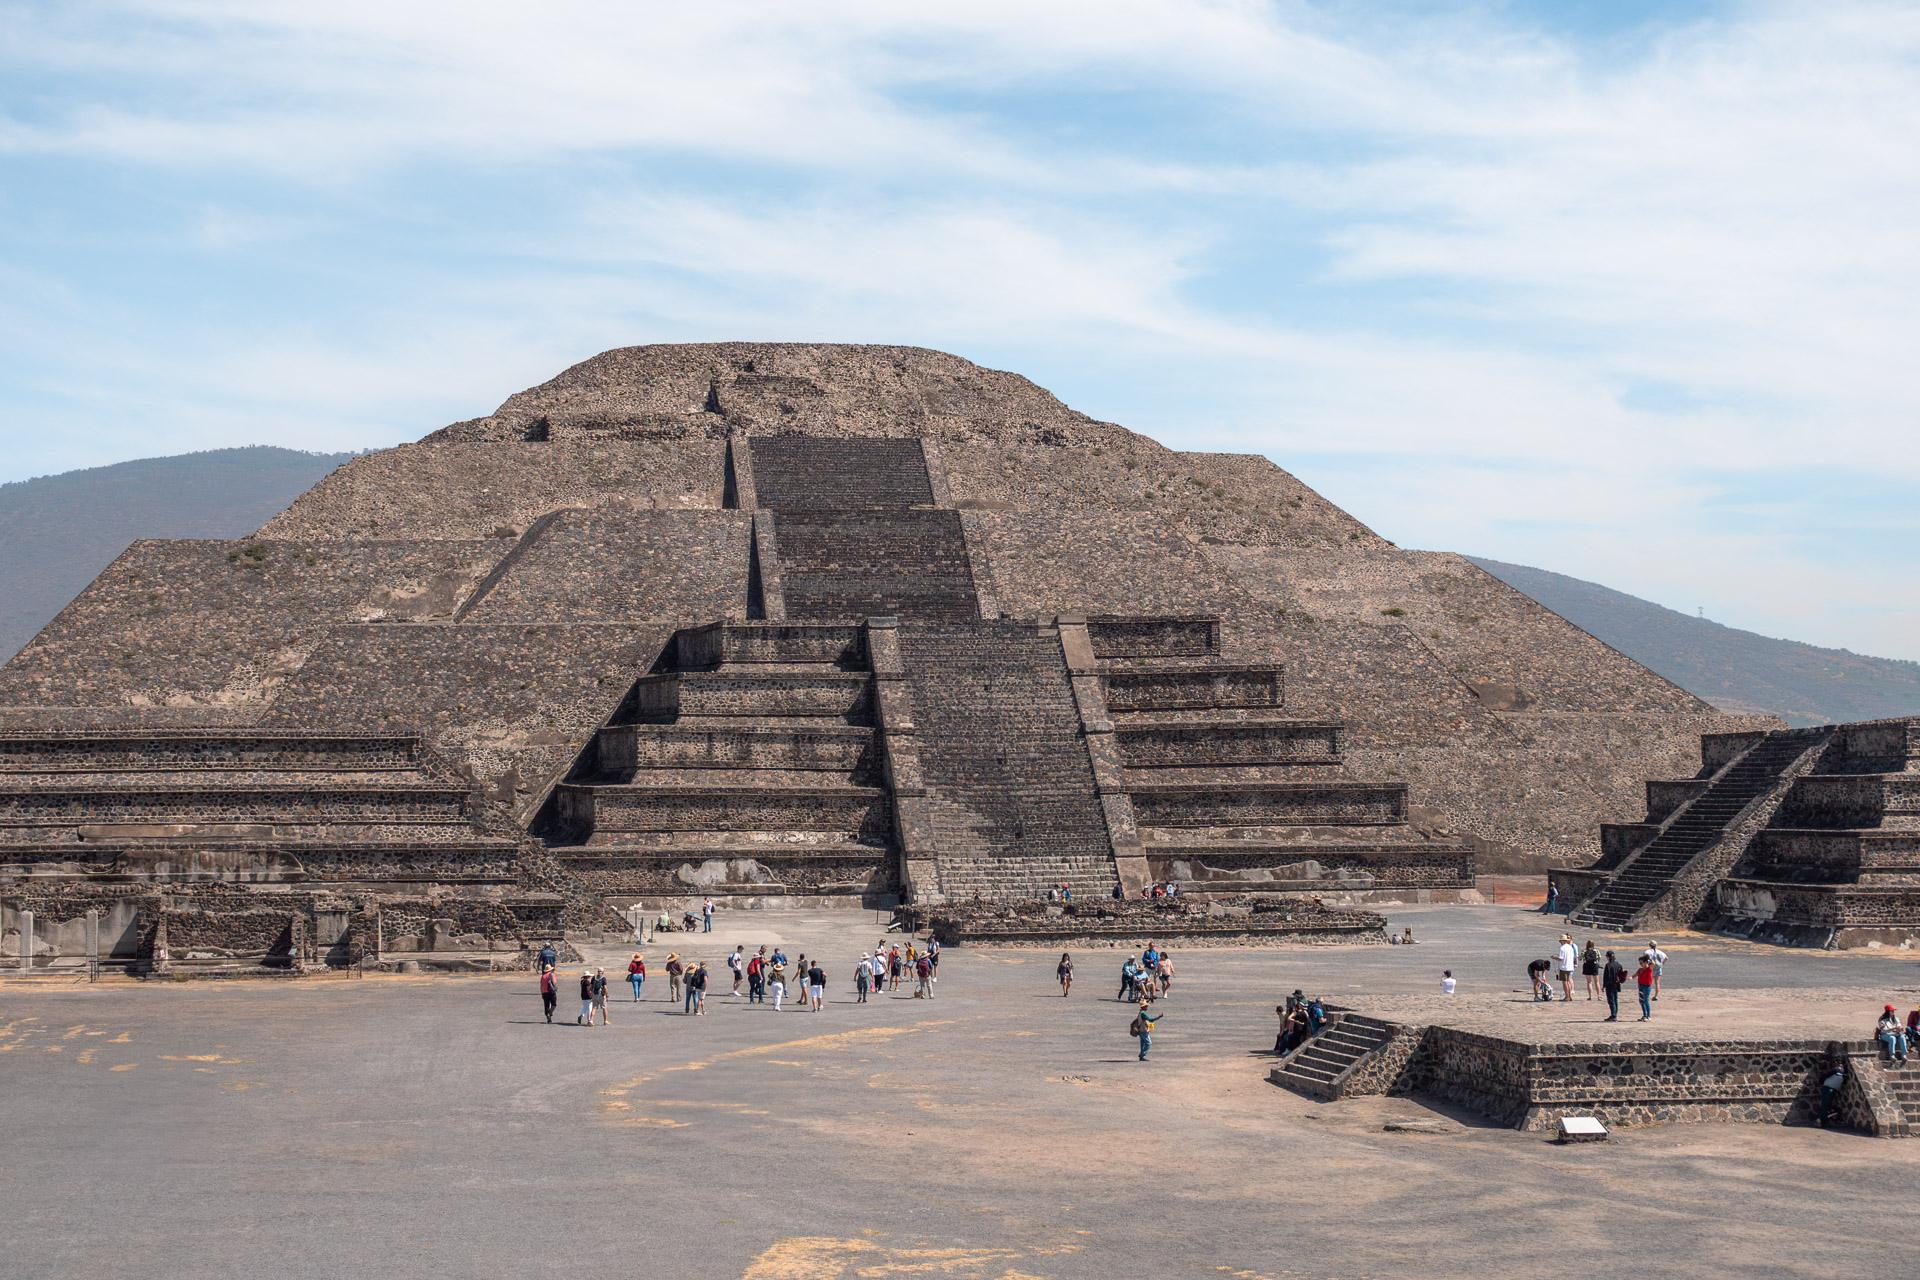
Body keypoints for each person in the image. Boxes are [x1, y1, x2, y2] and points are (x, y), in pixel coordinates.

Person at [1818, 1060, 1847, 1127]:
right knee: (1825, 1106)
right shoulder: (1839, 1071)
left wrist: (1821, 1081)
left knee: (1826, 1106)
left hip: (1830, 1089)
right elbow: (1826, 1075)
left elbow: (1826, 1075)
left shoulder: (1837, 1070)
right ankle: (1823, 1122)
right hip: (1828, 1089)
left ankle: (1824, 1122)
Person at [1601, 950, 1626, 1021]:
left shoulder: (1608, 965)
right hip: (1616, 984)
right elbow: (1622, 975)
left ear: (1608, 957)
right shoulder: (1618, 964)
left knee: (1611, 1000)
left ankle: (1613, 1015)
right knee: (1615, 1000)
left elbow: (1606, 976)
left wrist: (1604, 986)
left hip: (1610, 985)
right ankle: (1614, 1014)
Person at [1555, 934, 1578, 1002]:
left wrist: (1554, 957)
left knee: (1565, 983)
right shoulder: (1570, 947)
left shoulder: (1562, 948)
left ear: (1562, 941)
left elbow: (1561, 958)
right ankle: (1569, 996)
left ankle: (1567, 997)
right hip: (1570, 967)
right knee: (1568, 982)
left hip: (1564, 967)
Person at [1634, 955, 1655, 1021]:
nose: (1640, 964)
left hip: (1647, 987)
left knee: (1646, 1000)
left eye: (1641, 963)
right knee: (1641, 1001)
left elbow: (1653, 963)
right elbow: (1635, 975)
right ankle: (1644, 1015)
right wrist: (1630, 977)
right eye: (1639, 963)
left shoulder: (1649, 968)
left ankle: (1648, 1016)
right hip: (1641, 986)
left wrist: (1649, 959)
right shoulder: (1640, 970)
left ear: (1646, 962)